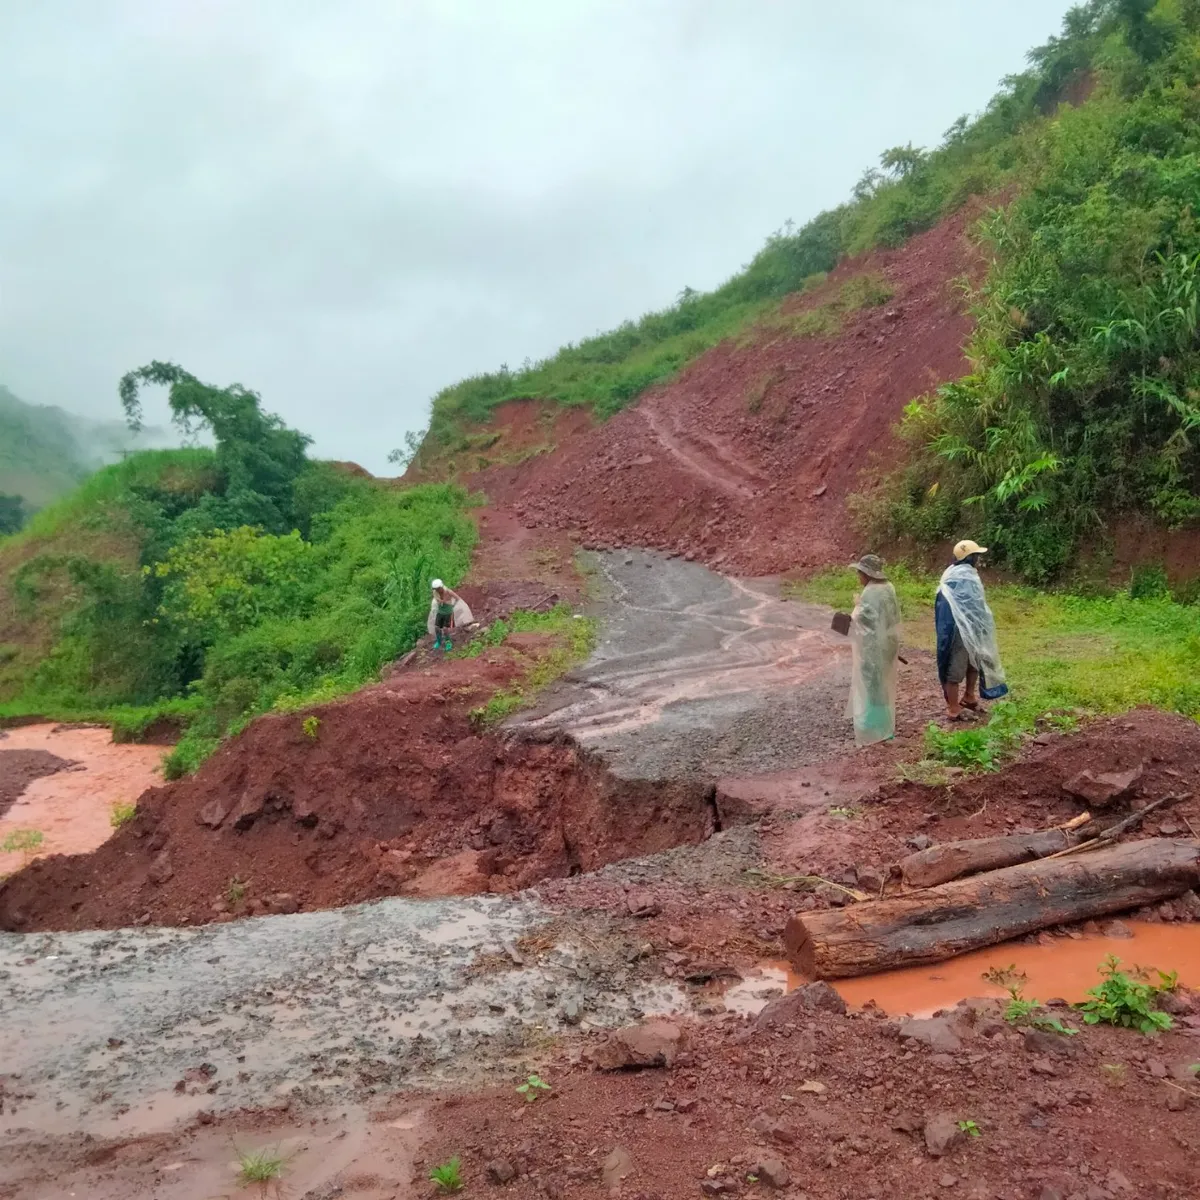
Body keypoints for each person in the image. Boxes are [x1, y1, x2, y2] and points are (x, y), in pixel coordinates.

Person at [936, 540, 1008, 720]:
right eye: (976, 556)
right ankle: (953, 708)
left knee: (975, 661)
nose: (978, 559)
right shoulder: (959, 576)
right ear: (970, 558)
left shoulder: (963, 574)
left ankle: (969, 696)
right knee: (956, 667)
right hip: (958, 629)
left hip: (972, 627)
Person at [845, 554, 902, 747]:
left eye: (859, 573)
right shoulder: (889, 587)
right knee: (883, 680)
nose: (858, 577)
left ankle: (876, 724)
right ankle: (883, 722)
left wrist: (857, 608)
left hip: (873, 645)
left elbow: (865, 620)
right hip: (889, 642)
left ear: (866, 574)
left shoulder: (871, 592)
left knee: (872, 682)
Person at [427, 579, 473, 651]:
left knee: (445, 629)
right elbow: (437, 600)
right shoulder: (435, 592)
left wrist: (452, 605)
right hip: (440, 611)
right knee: (437, 627)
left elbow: (457, 598)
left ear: (441, 587)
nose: (436, 590)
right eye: (435, 589)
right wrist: (440, 602)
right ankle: (439, 641)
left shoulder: (448, 591)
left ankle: (448, 642)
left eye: (437, 589)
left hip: (448, 611)